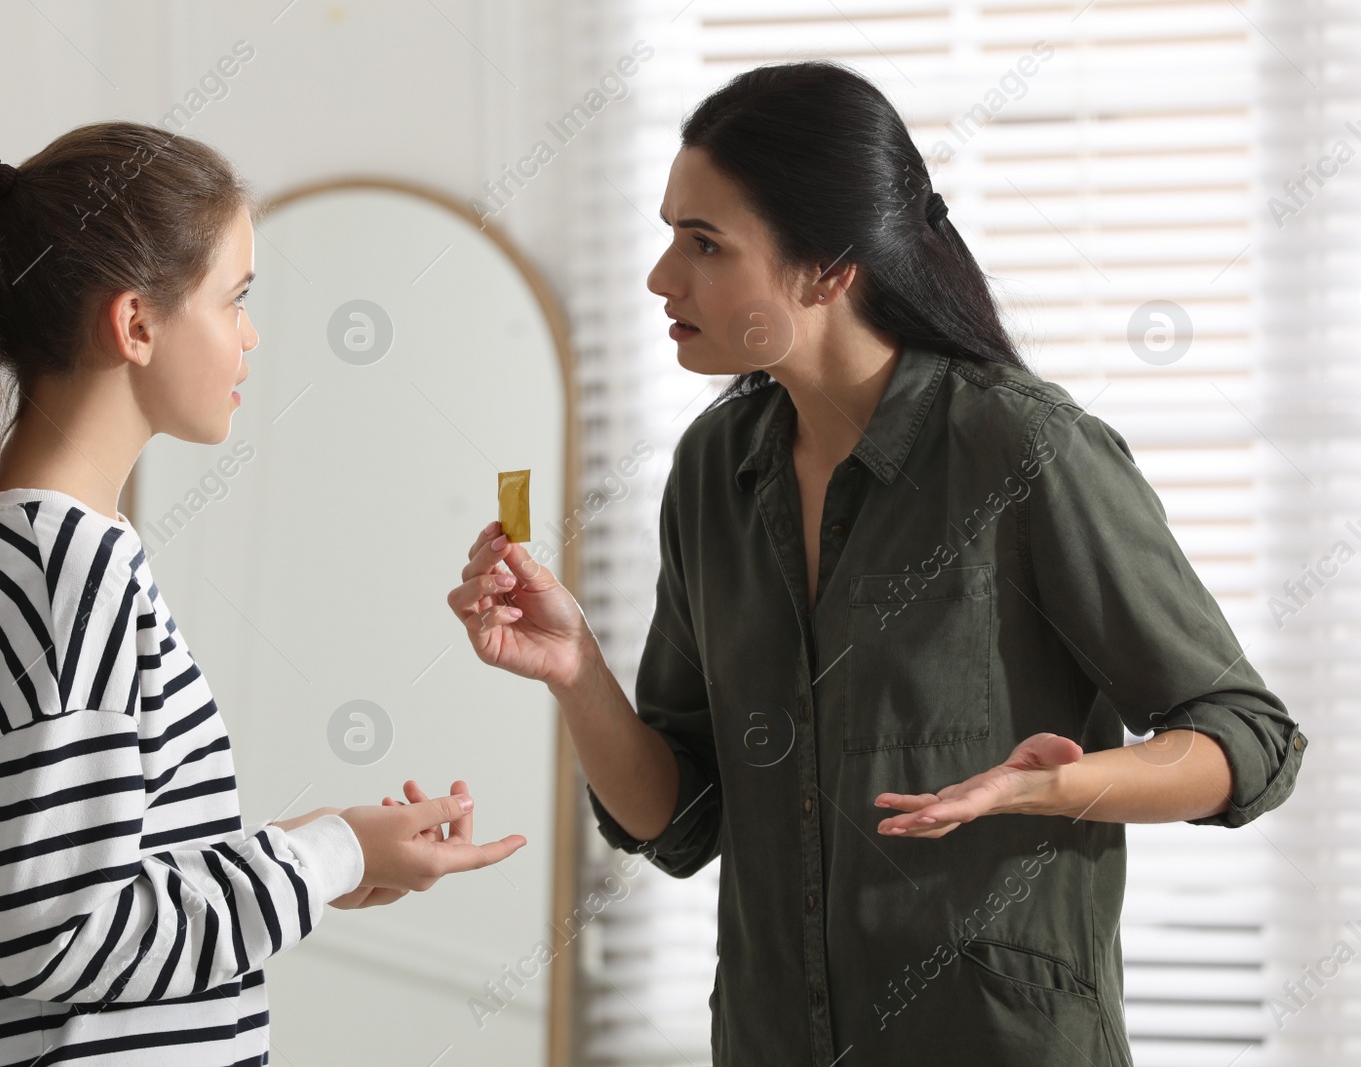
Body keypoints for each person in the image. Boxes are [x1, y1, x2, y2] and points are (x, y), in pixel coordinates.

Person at [448, 62, 1306, 1065]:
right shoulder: (714, 471)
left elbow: (1249, 737)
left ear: (827, 268)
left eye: (704, 243)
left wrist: (1053, 789)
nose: (660, 277)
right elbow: (679, 821)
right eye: (669, 233)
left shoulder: (1021, 453)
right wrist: (575, 669)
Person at [0, 121, 525, 1066]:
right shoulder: (67, 570)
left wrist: (330, 858)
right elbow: (63, 936)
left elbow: (90, 881)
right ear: (135, 324)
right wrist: (329, 854)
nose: (251, 334)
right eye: (236, 298)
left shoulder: (31, 546)